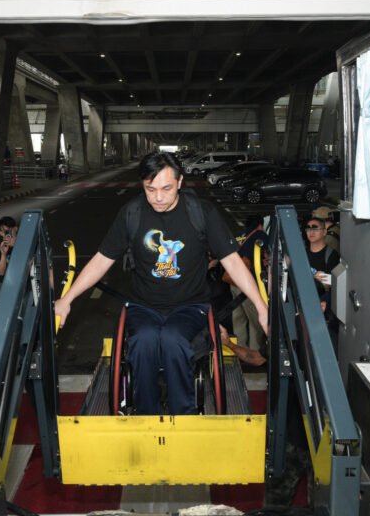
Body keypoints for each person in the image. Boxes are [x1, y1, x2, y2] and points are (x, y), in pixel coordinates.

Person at [54, 151, 268, 415]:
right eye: (150, 188)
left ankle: (183, 413)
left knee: (172, 338)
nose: (157, 197)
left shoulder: (201, 213)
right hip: (144, 305)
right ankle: (147, 413)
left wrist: (261, 307)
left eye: (166, 188)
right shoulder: (132, 213)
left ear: (179, 183)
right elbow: (101, 260)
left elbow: (233, 262)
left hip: (190, 305)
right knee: (143, 341)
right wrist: (67, 299)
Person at [228, 214, 268, 351]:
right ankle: (254, 352)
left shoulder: (238, 236)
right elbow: (269, 251)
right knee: (255, 320)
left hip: (232, 281)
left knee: (238, 319)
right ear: (260, 225)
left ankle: (240, 350)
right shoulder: (259, 235)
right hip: (248, 283)